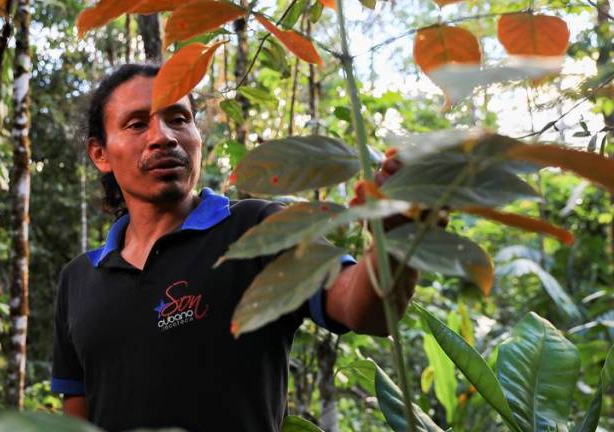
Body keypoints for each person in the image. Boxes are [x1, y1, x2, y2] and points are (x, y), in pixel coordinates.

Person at [50, 63, 417, 432]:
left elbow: (367, 308)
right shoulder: (77, 280)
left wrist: (396, 240)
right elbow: (77, 420)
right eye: (137, 124)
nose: (163, 137)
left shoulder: (260, 228)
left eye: (179, 119)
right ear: (100, 154)